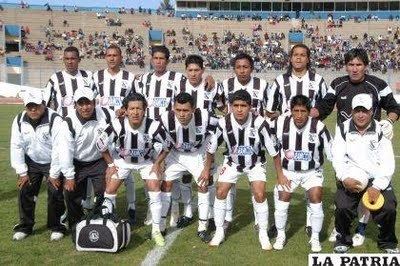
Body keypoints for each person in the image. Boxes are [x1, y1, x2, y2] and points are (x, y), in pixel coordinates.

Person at [312, 48, 400, 245]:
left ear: (365, 66)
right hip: (346, 146)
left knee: (368, 190)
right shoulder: (337, 84)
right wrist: (300, 116)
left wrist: (389, 122)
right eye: (351, 64)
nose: (354, 68)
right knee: (345, 191)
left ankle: (360, 228)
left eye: (358, 64)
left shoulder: (378, 84)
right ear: (346, 66)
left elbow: (394, 108)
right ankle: (341, 227)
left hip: (371, 145)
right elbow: (324, 106)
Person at [204, 90, 286, 250]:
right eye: (236, 106)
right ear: (231, 106)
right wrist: (206, 170)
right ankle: (219, 232)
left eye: (243, 105)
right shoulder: (223, 123)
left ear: (250, 107)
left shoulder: (260, 123)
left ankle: (263, 232)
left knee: (260, 193)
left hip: (255, 163)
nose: (239, 109)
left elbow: (274, 153)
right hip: (232, 163)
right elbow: (211, 148)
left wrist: (280, 175)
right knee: (220, 191)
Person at [266, 44, 328, 237]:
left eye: (303, 55)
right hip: (287, 136)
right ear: (290, 58)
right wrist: (279, 120)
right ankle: (279, 224)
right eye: (295, 55)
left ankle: (311, 223)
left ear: (308, 59)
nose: (299, 58)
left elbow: (325, 105)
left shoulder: (318, 80)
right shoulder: (279, 81)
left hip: (309, 136)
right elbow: (270, 109)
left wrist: (317, 115)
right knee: (283, 181)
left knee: (312, 180)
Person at [97, 93, 168, 247]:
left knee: (155, 187)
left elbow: (168, 145)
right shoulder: (117, 124)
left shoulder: (153, 125)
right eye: (132, 108)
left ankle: (156, 230)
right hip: (122, 161)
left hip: (146, 162)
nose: (135, 112)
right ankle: (108, 225)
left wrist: (157, 163)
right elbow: (100, 144)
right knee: (109, 190)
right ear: (126, 110)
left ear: (144, 110)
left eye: (139, 108)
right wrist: (110, 165)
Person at [332, 93, 398, 254]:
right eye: (357, 111)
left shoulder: (381, 131)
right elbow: (337, 157)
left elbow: (388, 162)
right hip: (351, 176)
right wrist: (343, 178)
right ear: (352, 111)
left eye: (365, 111)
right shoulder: (342, 129)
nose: (361, 115)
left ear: (372, 111)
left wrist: (377, 186)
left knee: (389, 207)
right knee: (342, 206)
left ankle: (388, 242)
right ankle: (343, 239)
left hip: (376, 178)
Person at [271, 95, 332, 252]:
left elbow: (332, 152)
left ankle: (315, 238)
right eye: (295, 111)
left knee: (316, 198)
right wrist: (279, 174)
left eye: (303, 111)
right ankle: (281, 235)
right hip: (288, 172)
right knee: (283, 200)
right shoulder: (280, 123)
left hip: (312, 172)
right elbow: (273, 150)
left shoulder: (319, 127)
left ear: (309, 111)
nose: (299, 115)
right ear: (290, 111)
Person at [218, 52, 269, 230]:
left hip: (255, 140)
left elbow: (269, 109)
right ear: (234, 69)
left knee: (254, 182)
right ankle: (228, 218)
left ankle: (258, 221)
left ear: (251, 69)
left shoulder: (262, 85)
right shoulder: (225, 85)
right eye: (238, 67)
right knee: (228, 181)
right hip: (233, 139)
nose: (242, 71)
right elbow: (218, 103)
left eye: (245, 67)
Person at [159, 92, 218, 242]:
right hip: (175, 154)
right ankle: (160, 226)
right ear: (173, 108)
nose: (182, 114)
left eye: (186, 110)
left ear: (194, 109)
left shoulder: (206, 117)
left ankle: (203, 228)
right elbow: (159, 141)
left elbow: (213, 139)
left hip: (196, 153)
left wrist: (206, 167)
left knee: (203, 185)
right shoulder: (165, 118)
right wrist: (160, 162)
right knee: (165, 185)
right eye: (178, 110)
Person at [10, 89, 66, 241]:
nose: (33, 110)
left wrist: (54, 174)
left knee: (55, 192)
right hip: (32, 161)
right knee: (25, 190)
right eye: (29, 107)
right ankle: (26, 226)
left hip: (52, 161)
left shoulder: (55, 119)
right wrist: (22, 172)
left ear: (43, 104)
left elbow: (59, 148)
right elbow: (16, 146)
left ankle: (57, 226)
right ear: (25, 107)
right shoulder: (19, 119)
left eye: (36, 106)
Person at [174, 55, 221, 229]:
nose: (193, 74)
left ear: (202, 70)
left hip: (205, 140)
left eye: (197, 70)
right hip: (183, 139)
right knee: (185, 178)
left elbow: (223, 108)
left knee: (206, 178)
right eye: (190, 70)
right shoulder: (177, 86)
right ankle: (187, 212)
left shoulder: (212, 87)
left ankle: (209, 214)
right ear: (186, 71)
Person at [92, 44, 137, 224]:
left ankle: (132, 206)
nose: (111, 58)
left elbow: (136, 101)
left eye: (115, 55)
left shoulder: (130, 77)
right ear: (105, 57)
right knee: (103, 168)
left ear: (121, 57)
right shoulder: (96, 77)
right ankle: (102, 205)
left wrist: (125, 110)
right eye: (109, 55)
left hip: (122, 129)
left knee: (127, 167)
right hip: (102, 128)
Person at [56, 87, 111, 231]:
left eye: (88, 103)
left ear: (94, 103)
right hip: (77, 163)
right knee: (71, 192)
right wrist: (69, 176)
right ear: (75, 105)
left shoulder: (105, 114)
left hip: (98, 160)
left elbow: (116, 127)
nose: (85, 107)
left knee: (104, 192)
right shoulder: (68, 123)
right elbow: (65, 152)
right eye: (81, 104)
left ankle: (101, 220)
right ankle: (76, 223)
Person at [45, 46, 93, 118]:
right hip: (62, 123)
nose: (69, 62)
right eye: (67, 59)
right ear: (63, 60)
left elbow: (95, 100)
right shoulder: (55, 78)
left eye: (73, 59)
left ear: (79, 60)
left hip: (85, 123)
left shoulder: (87, 76)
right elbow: (45, 101)